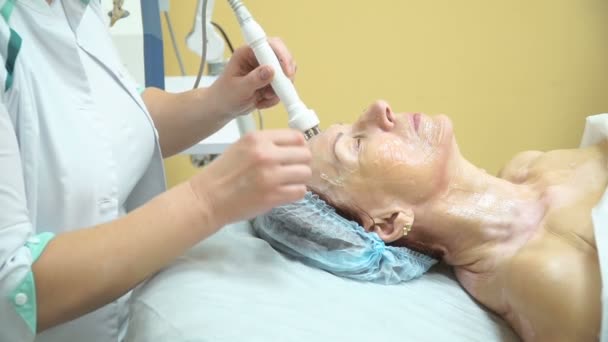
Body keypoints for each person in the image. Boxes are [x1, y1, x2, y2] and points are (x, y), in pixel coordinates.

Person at [0, 1, 311, 341]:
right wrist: (207, 200)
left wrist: (223, 99)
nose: (380, 111)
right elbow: (12, 288)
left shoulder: (75, 9)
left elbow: (110, 121)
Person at [301, 100, 606, 341]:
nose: (379, 107)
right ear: (388, 223)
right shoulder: (550, 277)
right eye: (356, 144)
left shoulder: (528, 166)